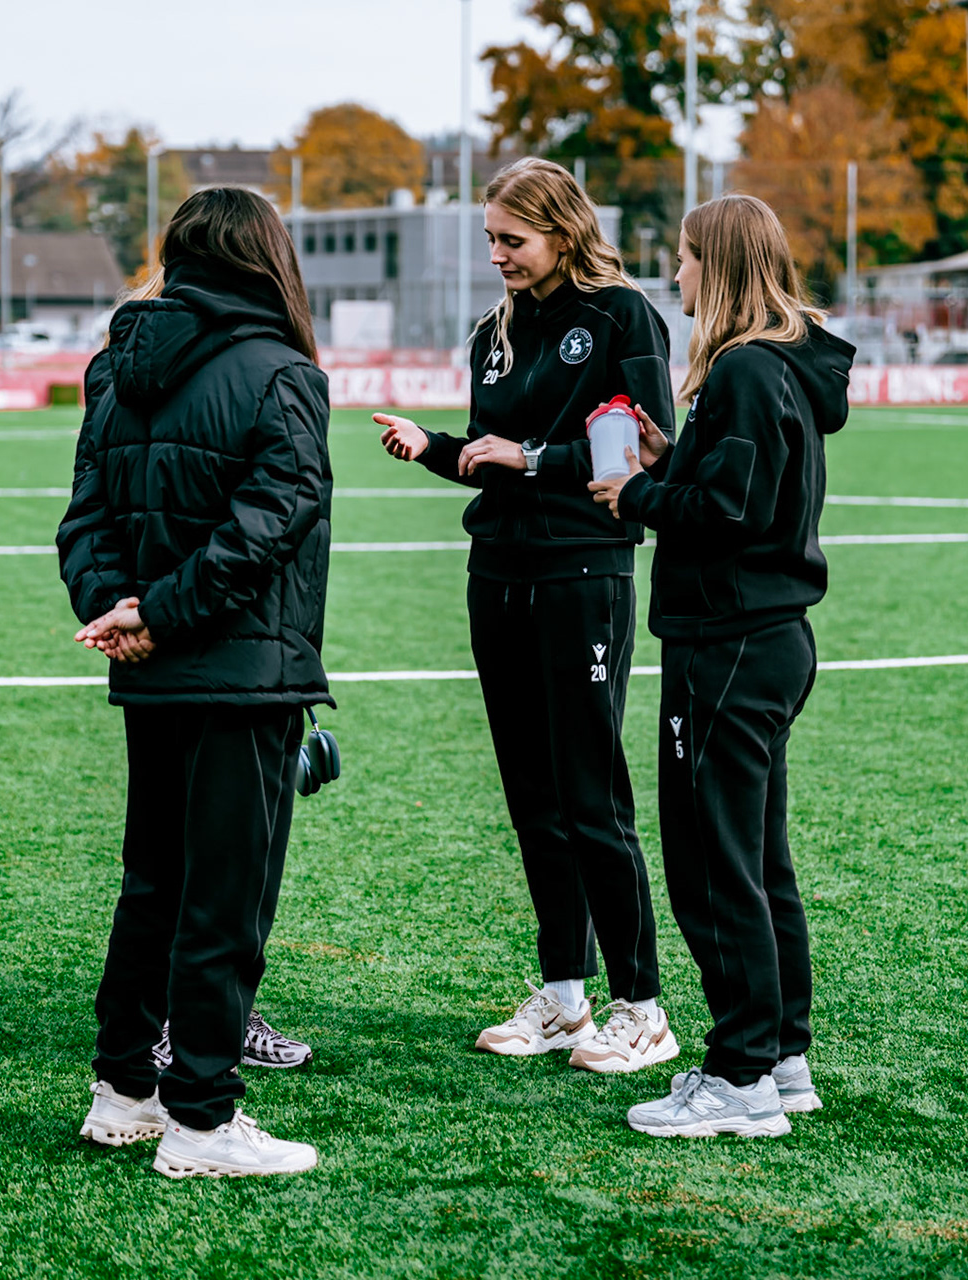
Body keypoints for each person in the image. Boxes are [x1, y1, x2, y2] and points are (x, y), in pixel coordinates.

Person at [374, 157, 678, 1073]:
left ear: (562, 230)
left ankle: (644, 1007)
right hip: (497, 570)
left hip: (582, 570)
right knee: (532, 798)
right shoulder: (493, 333)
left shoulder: (622, 316)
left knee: (592, 795)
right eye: (491, 241)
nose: (498, 256)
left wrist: (538, 460)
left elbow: (650, 441)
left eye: (513, 240)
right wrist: (435, 448)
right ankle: (565, 998)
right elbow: (489, 453)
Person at [57, 186, 332, 1179]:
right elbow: (276, 520)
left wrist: (122, 609)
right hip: (241, 671)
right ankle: (202, 1119)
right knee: (221, 898)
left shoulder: (117, 365)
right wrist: (157, 612)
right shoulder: (284, 372)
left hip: (157, 666)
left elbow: (84, 518)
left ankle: (123, 1092)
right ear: (268, 259)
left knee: (154, 886)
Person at [587, 194, 853, 1137]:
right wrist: (672, 459)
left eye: (690, 258)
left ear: (724, 266)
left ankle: (739, 1077)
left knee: (713, 865)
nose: (677, 275)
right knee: (756, 859)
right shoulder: (778, 366)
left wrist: (638, 491)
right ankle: (780, 1058)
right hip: (767, 640)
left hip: (729, 643)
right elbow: (739, 486)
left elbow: (729, 512)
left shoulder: (743, 368)